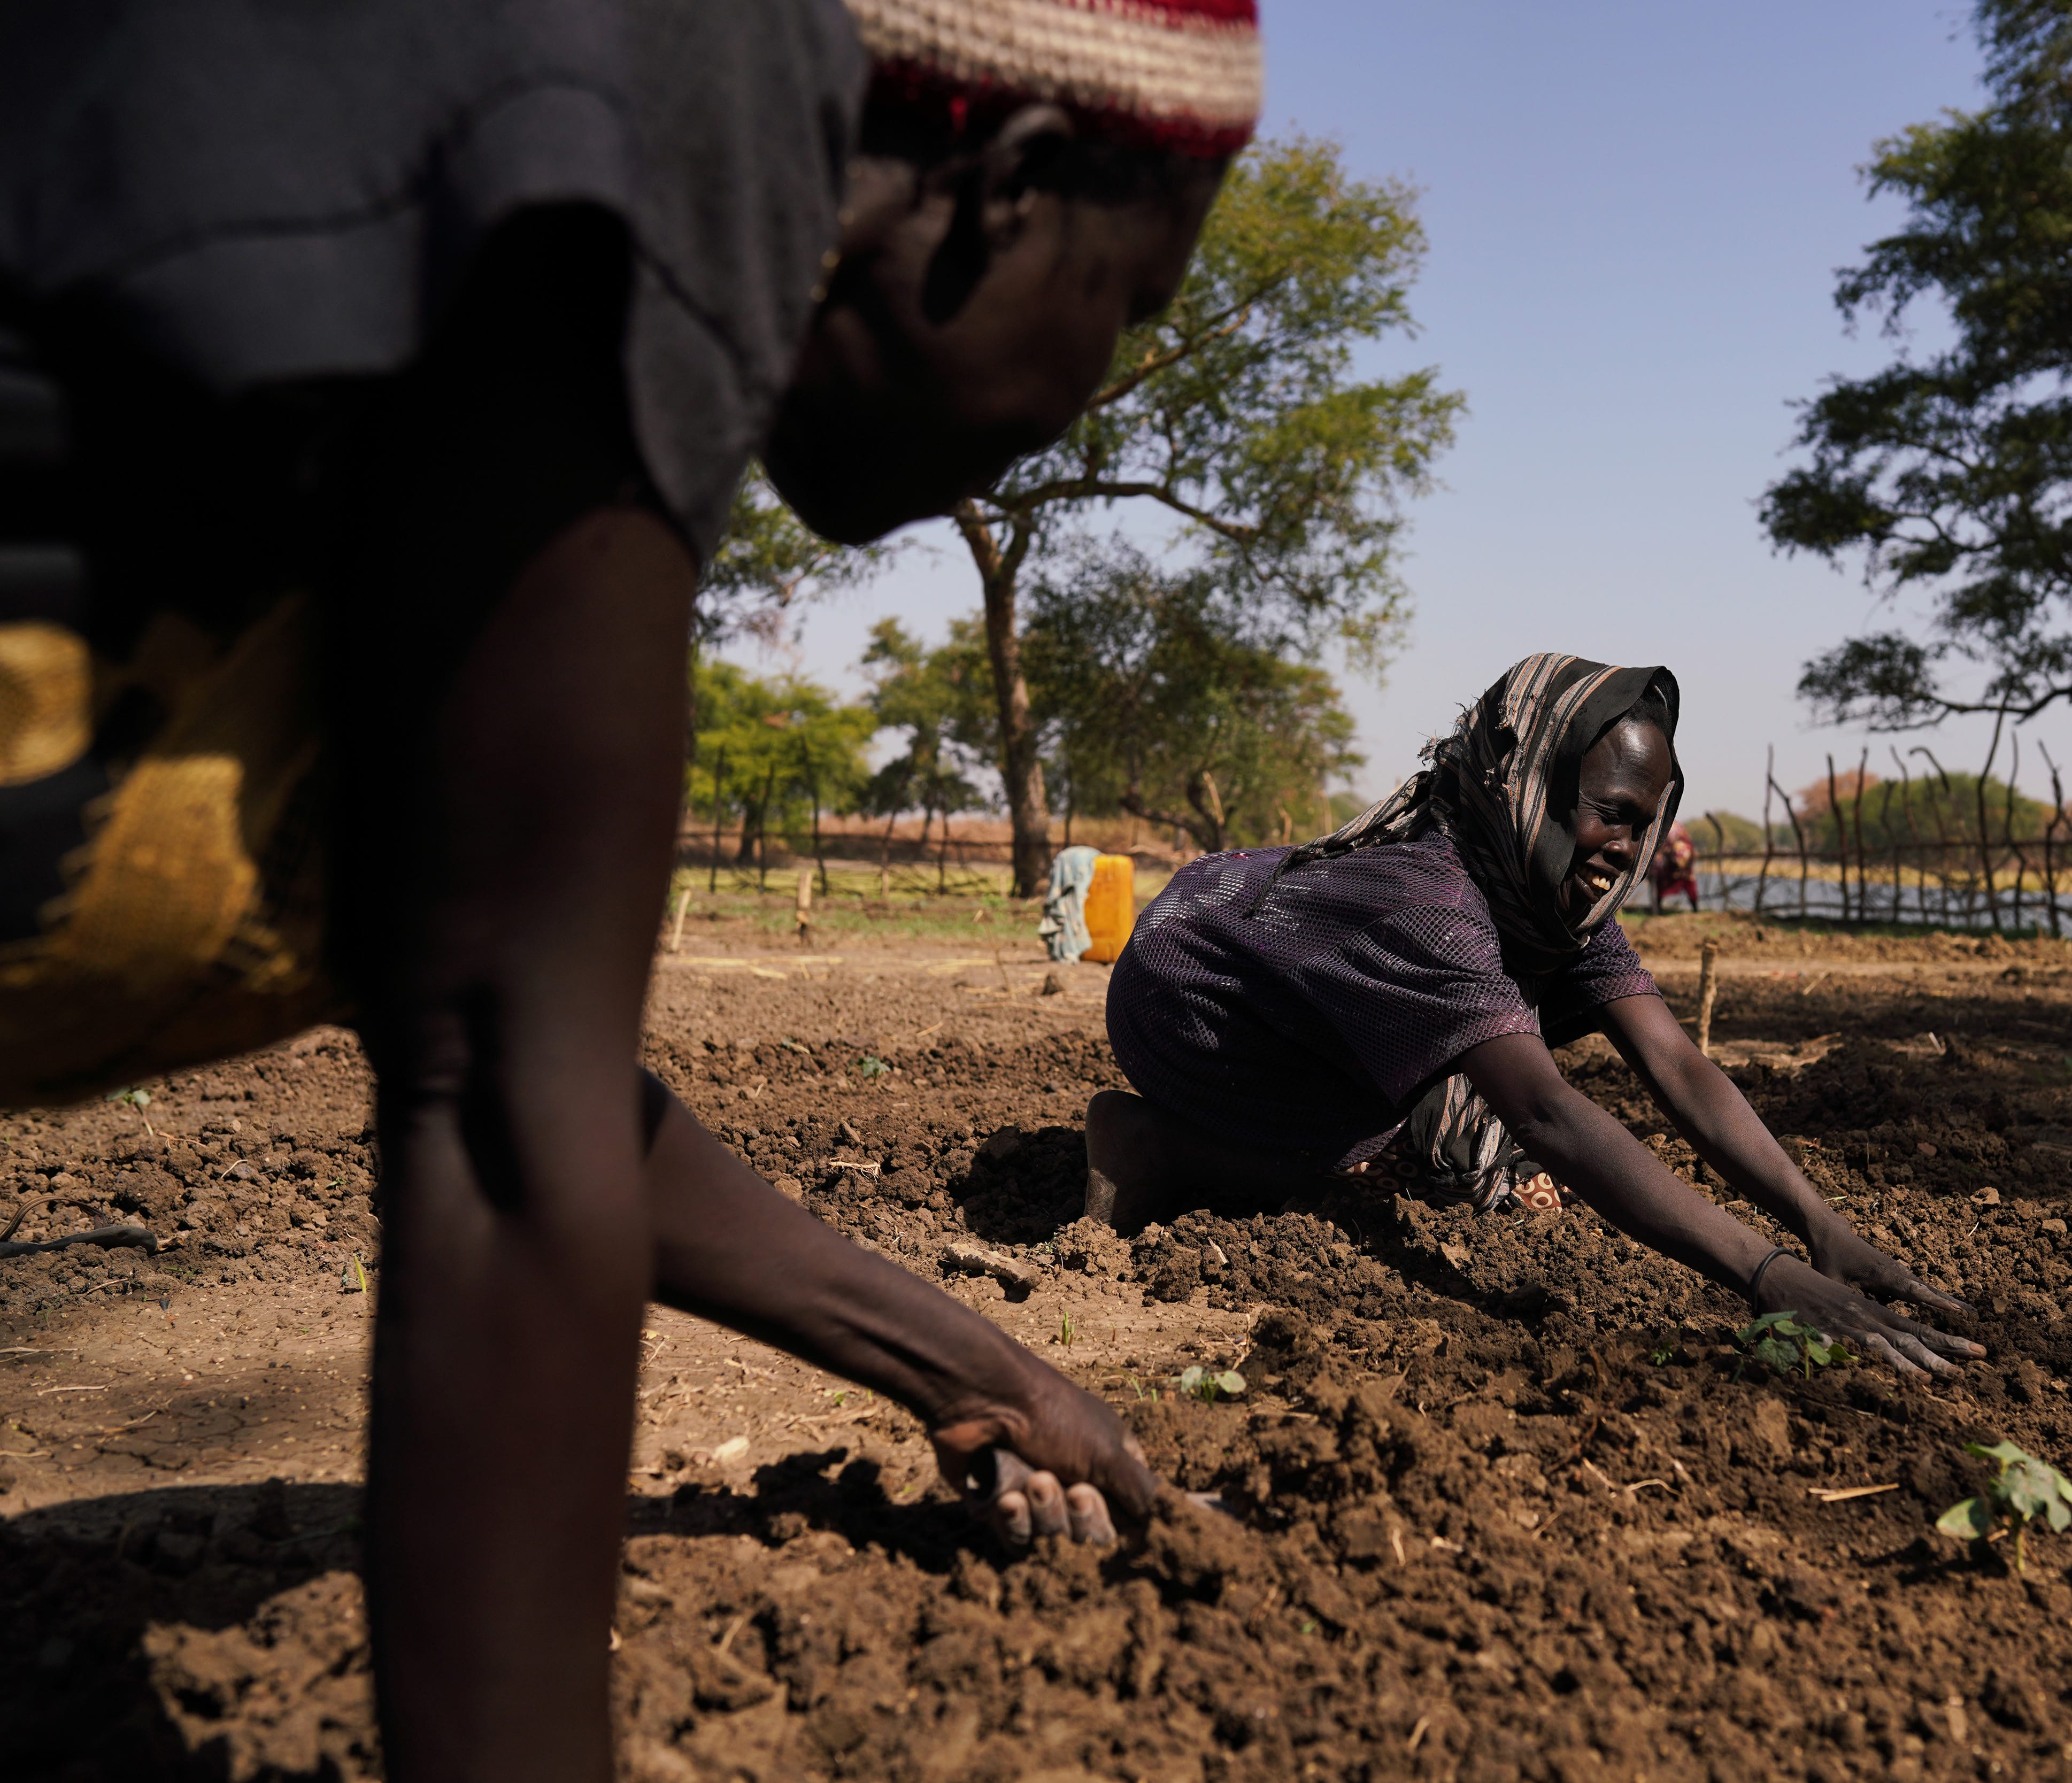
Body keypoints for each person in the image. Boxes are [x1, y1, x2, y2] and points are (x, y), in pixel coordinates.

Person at [1, 2, 1259, 1776]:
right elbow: (511, 1115)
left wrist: (971, 1368)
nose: (1091, 383)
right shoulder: (665, 90)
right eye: (1123, 313)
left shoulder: (439, 317)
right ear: (1012, 185)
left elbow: (512, 1038)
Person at [1083, 654, 1986, 1375]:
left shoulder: (1544, 895)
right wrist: (1767, 1276)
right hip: (1198, 1000)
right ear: (1528, 781)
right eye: (1609, 815)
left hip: (1289, 982)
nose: (1625, 851)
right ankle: (1157, 1144)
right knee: (1363, 1142)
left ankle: (1267, 1141)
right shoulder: (1425, 898)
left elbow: (1678, 1066)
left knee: (1431, 1110)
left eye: (1644, 823)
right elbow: (1548, 1112)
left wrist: (1817, 1225)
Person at [1651, 818, 1701, 911]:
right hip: (1670, 864)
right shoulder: (1664, 825)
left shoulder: (1672, 828)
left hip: (1680, 864)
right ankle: (1658, 909)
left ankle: (1695, 909)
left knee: (1689, 886)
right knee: (1662, 885)